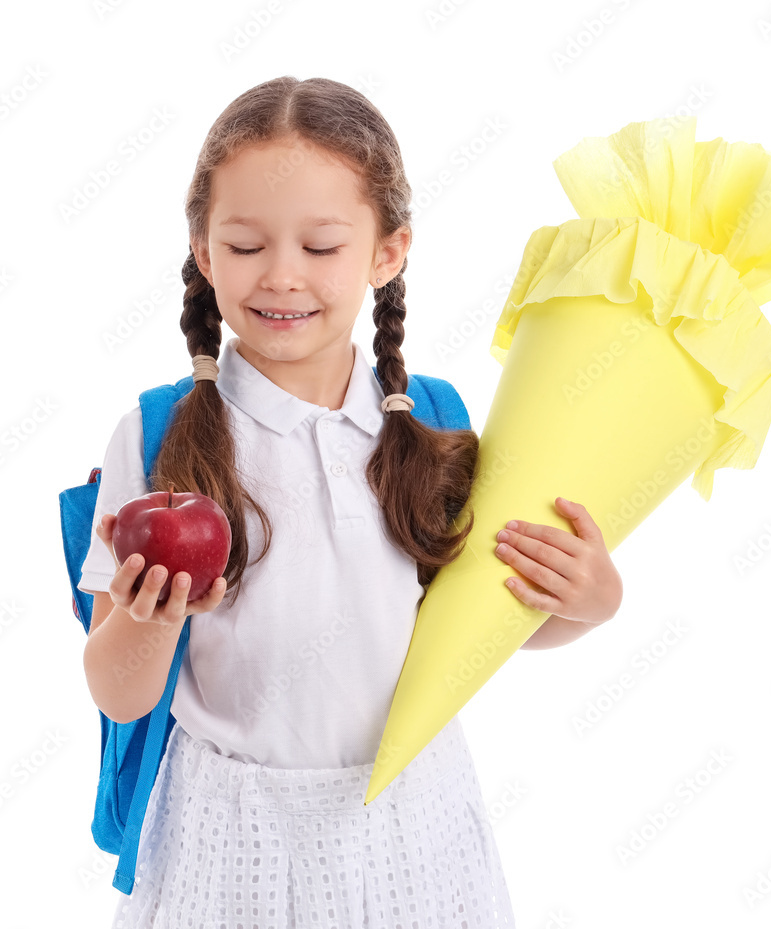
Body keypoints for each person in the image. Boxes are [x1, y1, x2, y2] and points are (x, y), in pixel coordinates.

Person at [80, 75, 623, 928]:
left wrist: (587, 602)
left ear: (388, 252)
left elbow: (484, 616)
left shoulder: (435, 427)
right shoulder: (158, 440)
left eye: (322, 246)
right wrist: (154, 614)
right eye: (247, 244)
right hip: (230, 838)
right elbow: (120, 695)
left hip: (414, 822)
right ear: (203, 249)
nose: (283, 276)